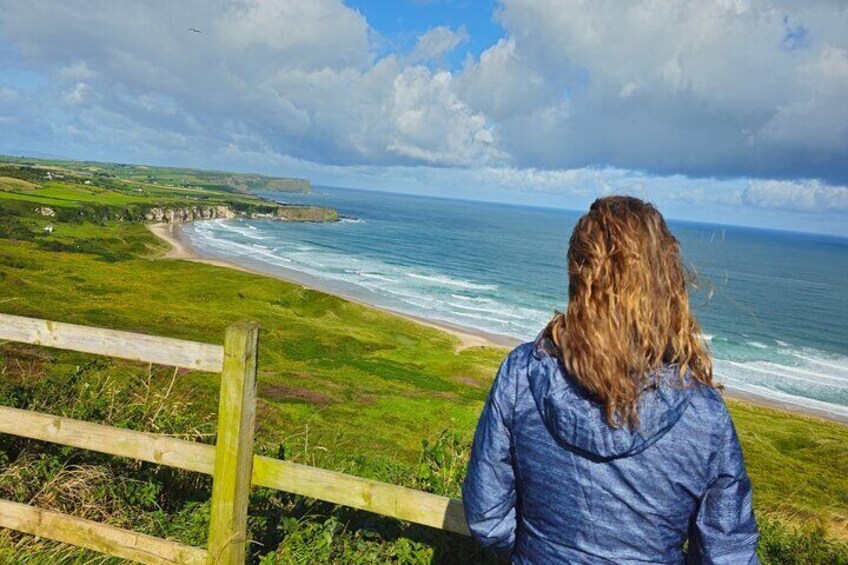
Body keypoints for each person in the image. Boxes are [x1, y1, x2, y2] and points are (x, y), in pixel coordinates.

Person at [462, 196, 759, 564]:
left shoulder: (522, 373)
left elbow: (488, 518)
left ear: (578, 275)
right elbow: (728, 554)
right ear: (666, 282)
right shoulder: (704, 415)